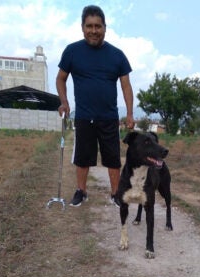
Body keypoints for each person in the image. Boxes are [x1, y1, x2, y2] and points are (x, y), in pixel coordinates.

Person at [56, 5, 135, 207]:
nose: (93, 30)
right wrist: (64, 102)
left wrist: (130, 114)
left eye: (97, 26)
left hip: (109, 117)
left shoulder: (117, 55)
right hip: (84, 116)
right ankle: (81, 192)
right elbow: (60, 79)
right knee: (83, 158)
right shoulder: (72, 51)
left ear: (105, 28)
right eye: (89, 26)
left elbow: (126, 86)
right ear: (82, 27)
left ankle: (116, 194)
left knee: (113, 159)